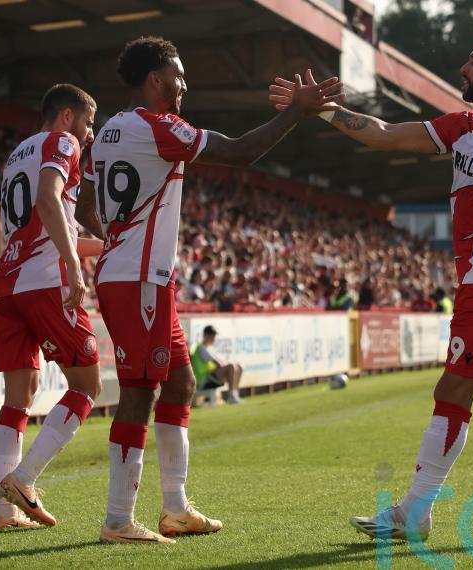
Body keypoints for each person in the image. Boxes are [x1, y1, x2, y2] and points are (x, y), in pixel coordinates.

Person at [271, 36, 473, 543]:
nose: (463, 68)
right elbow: (385, 134)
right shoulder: (463, 126)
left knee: (453, 391)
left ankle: (414, 513)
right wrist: (326, 112)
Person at [75, 36, 342, 544]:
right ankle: (117, 519)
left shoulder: (108, 129)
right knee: (140, 392)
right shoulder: (157, 126)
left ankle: (175, 508)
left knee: (180, 385)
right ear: (154, 79)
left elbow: (88, 203)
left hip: (139, 275)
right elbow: (241, 151)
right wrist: (297, 113)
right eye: (177, 76)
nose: (183, 85)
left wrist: (119, 232)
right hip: (139, 280)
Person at [0, 84, 103, 531]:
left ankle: (4, 511)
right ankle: (24, 479)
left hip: (9, 284)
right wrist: (74, 267)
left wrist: (104, 247)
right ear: (68, 117)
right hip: (45, 283)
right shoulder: (63, 142)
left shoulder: (17, 154)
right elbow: (48, 200)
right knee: (87, 384)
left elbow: (44, 224)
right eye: (89, 123)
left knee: (19, 397)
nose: (90, 134)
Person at [191, 325, 244, 404]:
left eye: (214, 336)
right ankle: (231, 396)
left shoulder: (209, 348)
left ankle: (234, 395)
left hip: (210, 377)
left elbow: (220, 363)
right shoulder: (201, 348)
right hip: (203, 381)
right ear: (205, 335)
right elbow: (218, 364)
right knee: (231, 367)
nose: (214, 338)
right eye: (211, 335)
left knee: (239, 367)